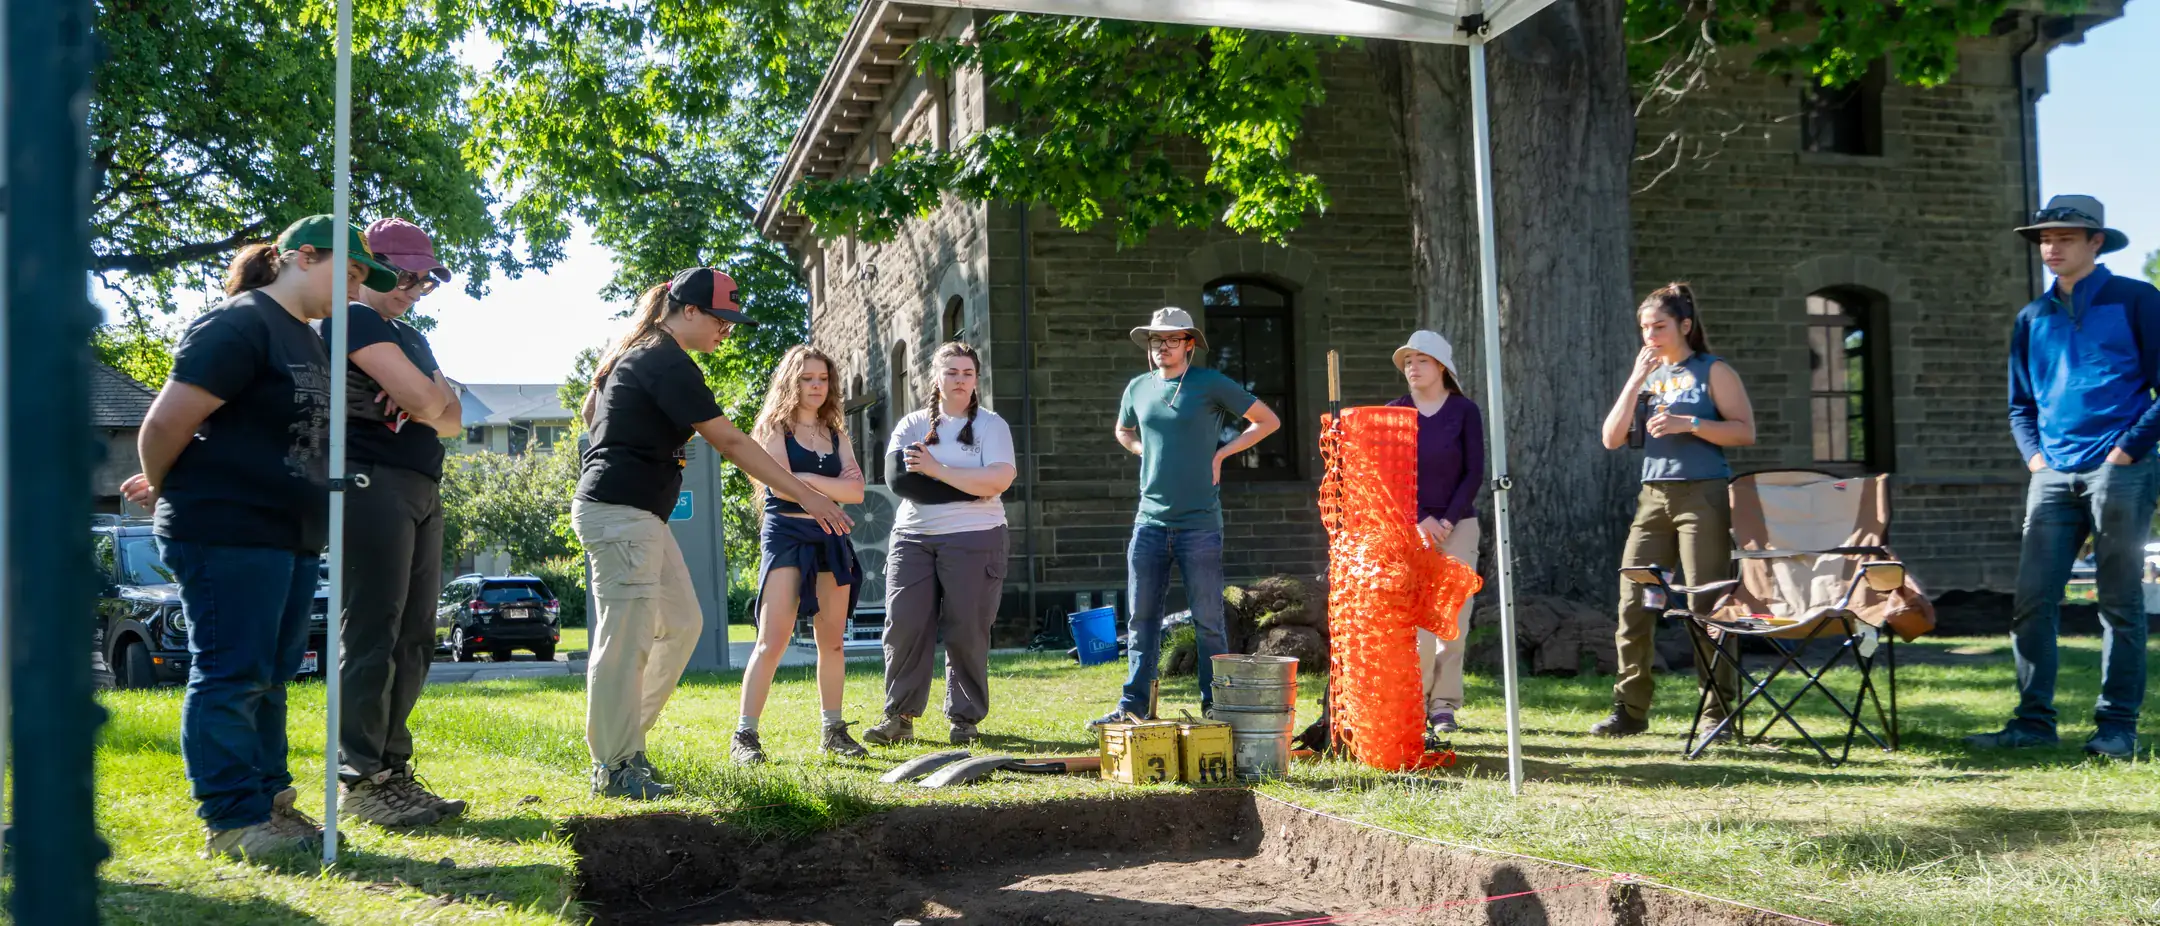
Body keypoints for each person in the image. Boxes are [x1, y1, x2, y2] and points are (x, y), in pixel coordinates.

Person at [120, 215, 401, 859]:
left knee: (272, 677)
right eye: (351, 272)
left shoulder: (306, 337)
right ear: (303, 256)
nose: (357, 290)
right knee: (233, 674)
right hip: (226, 527)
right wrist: (165, 486)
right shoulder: (238, 323)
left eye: (365, 280)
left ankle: (272, 803)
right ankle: (231, 818)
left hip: (290, 534)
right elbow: (163, 425)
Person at [574, 268, 850, 798]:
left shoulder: (647, 352)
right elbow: (733, 443)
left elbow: (593, 412)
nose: (728, 330)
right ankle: (614, 766)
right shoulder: (665, 359)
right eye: (722, 319)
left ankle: (625, 747)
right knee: (623, 642)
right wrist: (809, 495)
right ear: (691, 311)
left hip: (639, 515)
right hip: (620, 513)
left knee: (681, 624)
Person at [1968, 195, 2160, 760]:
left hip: (2119, 472)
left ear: (2096, 243)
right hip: (2052, 473)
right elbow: (2019, 405)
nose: (2051, 248)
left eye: (2066, 238)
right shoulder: (2032, 318)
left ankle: (2116, 727)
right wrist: (2036, 461)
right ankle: (2033, 722)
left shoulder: (2137, 299)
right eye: (2045, 239)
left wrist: (2126, 450)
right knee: (2032, 601)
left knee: (2120, 603)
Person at [324, 217, 468, 828]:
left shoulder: (407, 335)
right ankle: (361, 777)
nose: (416, 287)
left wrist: (423, 395)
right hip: (369, 482)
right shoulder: (348, 319)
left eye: (426, 280)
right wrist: (425, 396)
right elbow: (431, 400)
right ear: (368, 265)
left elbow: (452, 416)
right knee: (372, 633)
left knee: (415, 636)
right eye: (406, 275)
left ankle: (392, 770)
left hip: (421, 486)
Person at [1092, 307, 1281, 726]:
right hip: (1150, 524)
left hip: (1199, 524)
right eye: (1157, 340)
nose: (1163, 347)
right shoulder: (1138, 388)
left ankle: (1214, 707)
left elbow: (1267, 420)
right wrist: (1142, 451)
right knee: (1141, 620)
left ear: (1189, 344)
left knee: (1209, 622)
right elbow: (1123, 429)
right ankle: (1133, 705)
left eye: (1173, 339)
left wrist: (1223, 453)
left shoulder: (1209, 383)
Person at [1595, 282, 1756, 738]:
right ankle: (1629, 710)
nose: (1650, 334)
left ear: (1685, 326)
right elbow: (1611, 438)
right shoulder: (1646, 374)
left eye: (1659, 326)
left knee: (1706, 602)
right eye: (1644, 327)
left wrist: (1691, 424)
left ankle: (1716, 713)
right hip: (1653, 495)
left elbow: (1745, 432)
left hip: (1703, 494)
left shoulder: (1712, 370)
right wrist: (1633, 380)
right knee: (1633, 601)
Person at [863, 341, 1018, 747]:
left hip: (976, 539)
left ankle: (964, 720)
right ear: (936, 377)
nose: (960, 380)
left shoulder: (991, 426)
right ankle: (899, 716)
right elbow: (902, 482)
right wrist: (970, 485)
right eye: (952, 373)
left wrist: (936, 469)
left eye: (968, 373)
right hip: (913, 539)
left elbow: (999, 480)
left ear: (976, 379)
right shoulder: (912, 425)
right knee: (904, 626)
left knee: (966, 629)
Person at [732, 345, 869, 764]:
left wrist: (803, 477)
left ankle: (834, 730)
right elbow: (776, 485)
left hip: (830, 536)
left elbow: (857, 492)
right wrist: (819, 485)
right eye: (808, 378)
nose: (816, 386)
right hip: (787, 534)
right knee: (771, 640)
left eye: (822, 379)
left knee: (832, 643)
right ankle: (745, 737)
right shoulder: (776, 428)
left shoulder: (837, 433)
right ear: (792, 381)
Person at [1385, 331, 1485, 736]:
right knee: (1418, 624)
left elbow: (1473, 471)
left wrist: (1446, 520)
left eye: (1421, 360)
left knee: (1453, 621)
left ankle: (1444, 705)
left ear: (1441, 366)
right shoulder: (1395, 412)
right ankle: (1416, 701)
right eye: (1407, 360)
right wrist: (1421, 518)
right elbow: (1391, 475)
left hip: (1458, 527)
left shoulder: (1465, 411)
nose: (1412, 366)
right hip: (1412, 529)